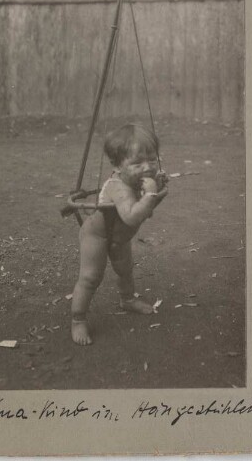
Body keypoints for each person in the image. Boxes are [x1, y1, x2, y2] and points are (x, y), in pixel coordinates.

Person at [71, 124, 168, 346]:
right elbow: (133, 217)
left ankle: (127, 299)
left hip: (120, 237)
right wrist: (152, 193)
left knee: (125, 270)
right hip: (97, 236)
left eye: (152, 160)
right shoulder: (118, 187)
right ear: (117, 165)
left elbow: (148, 210)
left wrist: (157, 192)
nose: (147, 168)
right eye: (137, 163)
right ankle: (78, 319)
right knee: (90, 277)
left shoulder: (136, 181)